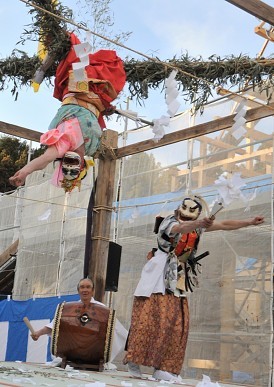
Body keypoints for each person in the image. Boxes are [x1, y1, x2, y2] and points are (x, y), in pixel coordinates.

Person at [123, 195, 264, 382]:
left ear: (198, 211)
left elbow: (225, 225)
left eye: (192, 210)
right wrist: (200, 222)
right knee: (150, 318)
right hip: (159, 275)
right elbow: (180, 228)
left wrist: (249, 222)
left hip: (178, 278)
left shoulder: (198, 226)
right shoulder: (169, 222)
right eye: (185, 208)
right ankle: (134, 360)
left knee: (177, 324)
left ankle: (163, 367)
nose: (187, 212)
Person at [9, 32, 126, 193]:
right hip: (95, 96)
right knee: (111, 71)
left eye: (66, 169)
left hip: (77, 90)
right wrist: (105, 109)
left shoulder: (62, 146)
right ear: (82, 166)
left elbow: (44, 160)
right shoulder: (92, 148)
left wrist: (24, 172)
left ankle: (60, 37)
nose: (70, 167)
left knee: (77, 62)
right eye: (74, 171)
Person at [31, 277, 128, 369]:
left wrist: (129, 350)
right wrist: (38, 333)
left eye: (88, 287)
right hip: (73, 353)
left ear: (93, 291)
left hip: (94, 353)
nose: (85, 290)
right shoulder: (69, 309)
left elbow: (118, 331)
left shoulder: (103, 311)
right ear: (78, 291)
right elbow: (54, 326)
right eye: (82, 287)